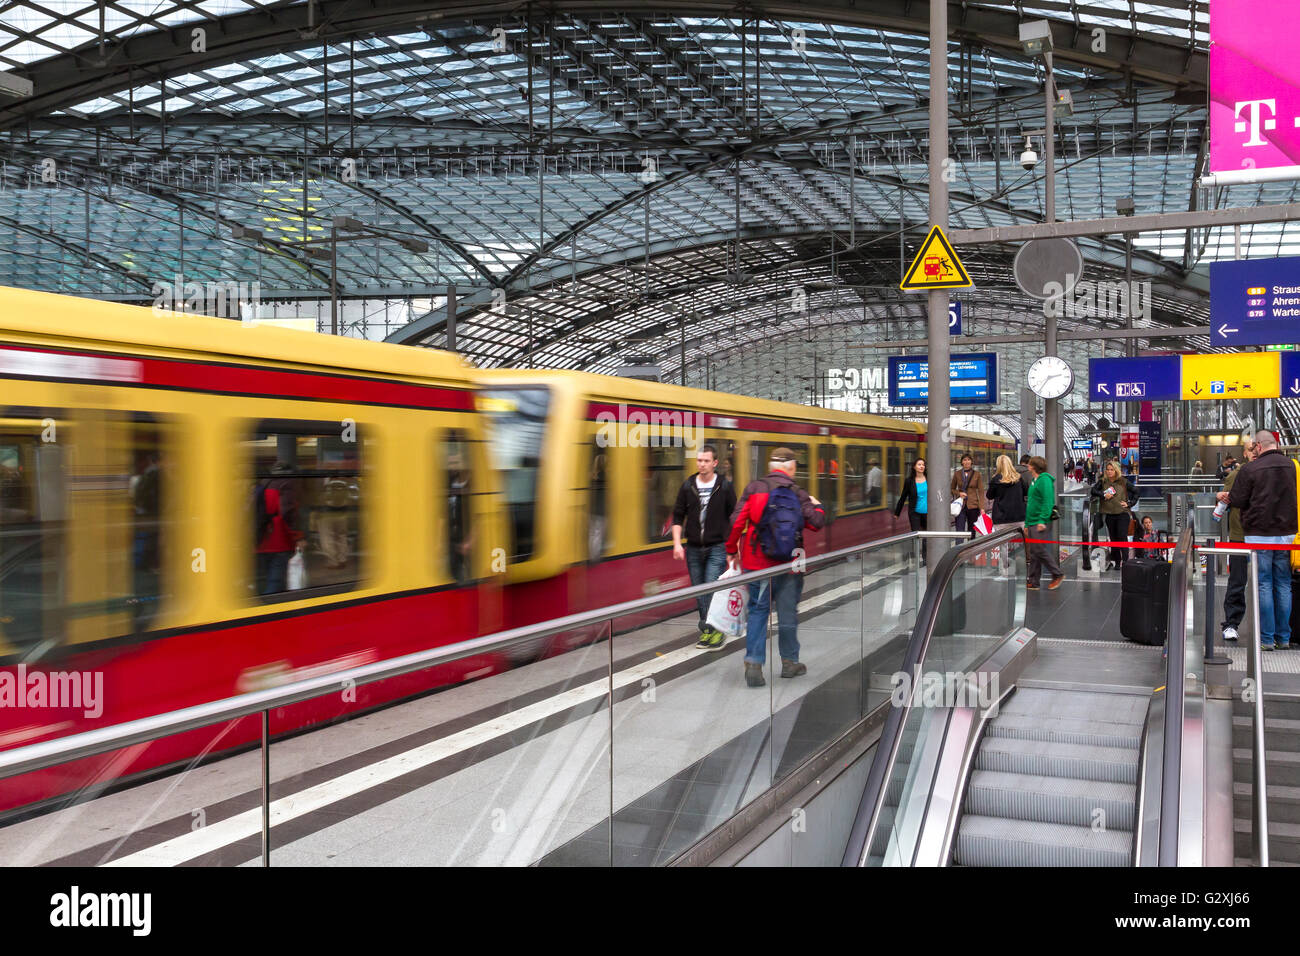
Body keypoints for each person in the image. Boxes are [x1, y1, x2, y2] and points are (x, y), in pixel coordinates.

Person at [726, 447, 825, 687]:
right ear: (791, 468)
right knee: (788, 613)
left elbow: (735, 523)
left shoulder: (754, 488)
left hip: (758, 564)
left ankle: (754, 664)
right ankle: (790, 663)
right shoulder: (798, 492)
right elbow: (816, 523)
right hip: (790, 565)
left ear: (770, 468)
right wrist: (818, 505)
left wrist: (731, 550)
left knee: (759, 612)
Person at [1223, 431, 1297, 650]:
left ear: (1257, 446)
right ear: (1277, 443)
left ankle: (1266, 639)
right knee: (1283, 583)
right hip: (1286, 533)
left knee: (1264, 583)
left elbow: (1237, 499)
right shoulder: (1292, 466)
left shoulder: (1250, 469)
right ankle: (1283, 637)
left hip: (1259, 533)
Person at [672, 444, 737, 651]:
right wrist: (676, 544)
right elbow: (677, 516)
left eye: (706, 461)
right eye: (699, 460)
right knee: (700, 592)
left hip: (716, 546)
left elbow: (733, 518)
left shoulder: (724, 487)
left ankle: (715, 631)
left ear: (715, 463)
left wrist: (733, 549)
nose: (702, 464)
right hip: (692, 547)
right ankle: (708, 630)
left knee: (710, 588)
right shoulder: (688, 485)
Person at [1217, 439, 1257, 643]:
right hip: (1241, 535)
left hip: (1266, 536)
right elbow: (1225, 498)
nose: (1255, 452)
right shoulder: (1236, 474)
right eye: (1251, 449)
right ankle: (1231, 623)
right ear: (1245, 453)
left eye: (1257, 448)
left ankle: (1271, 629)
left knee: (1270, 583)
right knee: (1238, 580)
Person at [255, 461, 299, 595]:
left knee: (265, 579)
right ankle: (268, 611)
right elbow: (287, 514)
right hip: (279, 541)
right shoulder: (286, 486)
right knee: (275, 582)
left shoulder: (261, 485)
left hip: (259, 541)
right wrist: (298, 537)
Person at [1025, 456, 1065, 590]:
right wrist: (1027, 523)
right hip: (1032, 521)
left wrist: (1042, 520)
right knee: (1034, 552)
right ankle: (1033, 581)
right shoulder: (1034, 481)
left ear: (1034, 466)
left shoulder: (1044, 480)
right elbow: (1031, 502)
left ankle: (1057, 573)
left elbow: (1048, 501)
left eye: (1029, 464)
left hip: (1040, 521)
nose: (1027, 466)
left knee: (1038, 549)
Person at [986, 455, 1027, 575]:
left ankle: (1005, 570)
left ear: (998, 465)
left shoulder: (996, 479)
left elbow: (989, 496)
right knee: (1022, 542)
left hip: (1001, 517)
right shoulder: (1019, 478)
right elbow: (1025, 492)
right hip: (1019, 516)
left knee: (1003, 545)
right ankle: (1024, 568)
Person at [1093, 460, 1132, 570]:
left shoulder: (1123, 481)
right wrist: (1103, 495)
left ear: (1116, 470)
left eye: (1112, 470)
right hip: (1110, 515)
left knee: (1121, 536)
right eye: (1108, 470)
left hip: (1122, 514)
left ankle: (1125, 561)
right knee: (1113, 538)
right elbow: (1093, 490)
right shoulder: (1103, 481)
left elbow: (1136, 491)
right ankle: (1117, 561)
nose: (1110, 472)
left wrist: (1129, 503)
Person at [950, 453, 985, 536]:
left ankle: (971, 547)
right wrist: (959, 493)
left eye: (968, 460)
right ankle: (959, 548)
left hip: (973, 505)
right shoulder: (957, 474)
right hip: (960, 505)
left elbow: (980, 491)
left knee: (972, 530)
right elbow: (952, 489)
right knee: (959, 529)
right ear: (962, 462)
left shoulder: (977, 474)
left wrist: (982, 508)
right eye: (964, 460)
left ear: (971, 462)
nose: (967, 462)